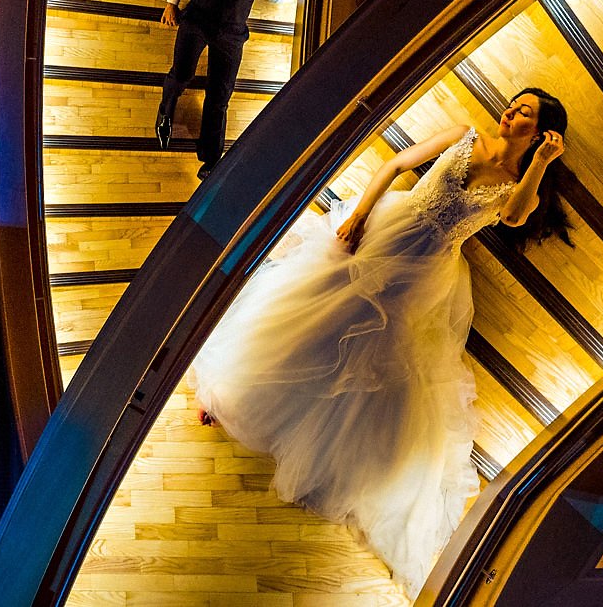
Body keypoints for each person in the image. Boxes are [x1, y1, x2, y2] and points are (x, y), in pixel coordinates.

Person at [191, 88, 571, 597]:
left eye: (524, 112)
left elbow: (517, 217)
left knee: (368, 354)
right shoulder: (462, 134)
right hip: (386, 229)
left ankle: (321, 450)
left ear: (540, 130)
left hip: (425, 271)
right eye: (513, 104)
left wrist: (541, 163)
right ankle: (238, 395)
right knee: (316, 313)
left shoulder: (516, 184)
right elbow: (394, 167)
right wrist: (359, 215)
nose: (510, 112)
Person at [156, 0, 296, 179]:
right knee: (180, 75)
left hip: (232, 33)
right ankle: (166, 110)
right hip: (196, 18)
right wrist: (172, 2)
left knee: (220, 95)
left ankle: (210, 159)